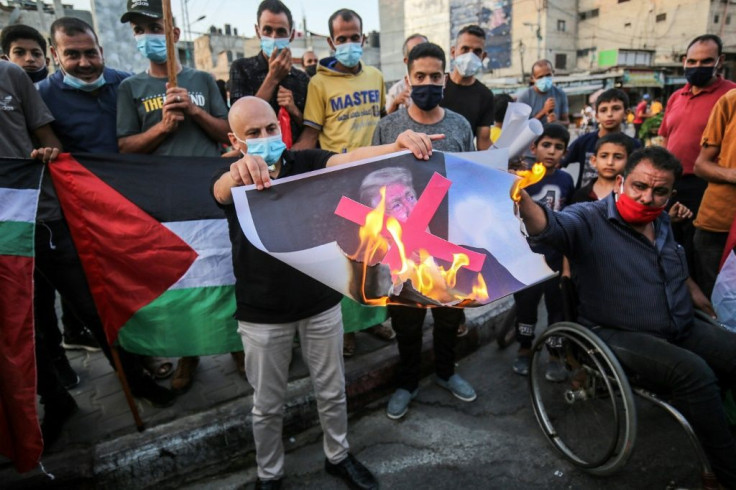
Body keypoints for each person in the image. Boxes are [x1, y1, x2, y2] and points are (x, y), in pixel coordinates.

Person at [212, 95, 440, 490]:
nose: (267, 137)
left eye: (271, 128)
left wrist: (396, 146)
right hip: (262, 313)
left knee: (332, 391)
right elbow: (218, 191)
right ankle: (270, 474)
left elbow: (349, 159)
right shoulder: (236, 179)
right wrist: (236, 174)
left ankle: (338, 456)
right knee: (266, 406)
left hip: (320, 303)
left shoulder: (305, 163)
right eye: (254, 133)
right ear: (235, 140)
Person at [514, 145, 736, 488]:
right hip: (617, 332)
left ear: (670, 194)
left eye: (659, 191)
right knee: (695, 373)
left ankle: (720, 431)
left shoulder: (662, 220)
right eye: (639, 187)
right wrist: (520, 197)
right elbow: (551, 225)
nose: (647, 198)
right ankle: (725, 475)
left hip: (680, 324)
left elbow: (672, 264)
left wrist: (692, 288)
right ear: (621, 182)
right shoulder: (589, 218)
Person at [118, 0, 231, 392]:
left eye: (153, 27)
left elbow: (227, 132)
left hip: (212, 192)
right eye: (139, 30)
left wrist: (195, 113)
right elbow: (125, 148)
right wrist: (162, 129)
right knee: (184, 279)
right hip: (165, 200)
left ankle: (234, 343)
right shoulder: (130, 89)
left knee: (225, 271)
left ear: (173, 34)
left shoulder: (203, 82)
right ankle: (189, 352)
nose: (147, 36)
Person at [293, 8, 392, 357]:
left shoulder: (376, 76)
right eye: (342, 39)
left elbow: (381, 122)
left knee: (376, 253)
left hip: (375, 179)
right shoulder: (318, 83)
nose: (349, 44)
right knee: (347, 256)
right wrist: (286, 164)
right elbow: (311, 134)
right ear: (331, 41)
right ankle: (349, 328)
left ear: (363, 39)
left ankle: (374, 317)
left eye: (355, 38)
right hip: (339, 179)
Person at [659, 34, 736, 277]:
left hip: (707, 185)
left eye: (705, 61)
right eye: (691, 62)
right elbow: (665, 139)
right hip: (671, 183)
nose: (697, 67)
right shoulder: (675, 97)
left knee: (697, 255)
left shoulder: (730, 96)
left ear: (719, 61)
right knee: (668, 245)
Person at [511, 124, 574, 380]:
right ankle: (524, 349)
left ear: (565, 152)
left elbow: (570, 218)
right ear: (533, 147)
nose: (551, 152)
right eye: (546, 145)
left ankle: (554, 354)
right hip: (525, 255)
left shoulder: (566, 180)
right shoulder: (520, 177)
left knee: (556, 307)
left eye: (558, 147)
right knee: (525, 305)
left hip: (555, 256)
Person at [229, 0, 309, 142]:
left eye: (280, 31)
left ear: (291, 35)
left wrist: (294, 110)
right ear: (257, 31)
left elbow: (309, 129)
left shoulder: (302, 78)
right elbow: (241, 122)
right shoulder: (242, 69)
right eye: (267, 30)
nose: (273, 37)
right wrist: (272, 78)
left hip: (294, 157)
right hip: (256, 158)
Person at [373, 42, 474, 153]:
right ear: (408, 82)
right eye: (420, 77)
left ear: (444, 80)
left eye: (435, 77)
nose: (428, 83)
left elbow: (469, 169)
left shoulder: (461, 126)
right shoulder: (386, 127)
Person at [693, 88, 736, 299]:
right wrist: (732, 175)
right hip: (718, 224)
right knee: (713, 299)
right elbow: (701, 166)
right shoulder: (731, 101)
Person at [562, 88, 640, 189]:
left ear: (626, 113)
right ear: (597, 116)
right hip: (585, 203)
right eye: (603, 110)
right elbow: (559, 163)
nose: (609, 114)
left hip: (618, 202)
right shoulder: (584, 142)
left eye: (616, 108)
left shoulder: (634, 146)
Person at [440, 25, 494, 151]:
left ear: (483, 56)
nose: (470, 56)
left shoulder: (485, 95)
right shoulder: (437, 84)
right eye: (465, 49)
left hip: (463, 163)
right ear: (453, 52)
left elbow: (483, 142)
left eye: (477, 51)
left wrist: (505, 159)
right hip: (431, 159)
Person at [570, 132, 634, 204]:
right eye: (604, 156)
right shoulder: (580, 196)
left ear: (629, 161)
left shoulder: (632, 194)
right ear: (594, 161)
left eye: (618, 157)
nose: (610, 162)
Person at [516, 59, 569, 127]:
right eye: (540, 77)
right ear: (532, 78)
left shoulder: (560, 94)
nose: (545, 79)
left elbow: (567, 123)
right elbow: (521, 127)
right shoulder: (524, 97)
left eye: (548, 75)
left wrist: (556, 122)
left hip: (555, 136)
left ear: (552, 73)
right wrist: (544, 111)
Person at [385, 33, 428, 114]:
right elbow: (384, 122)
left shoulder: (441, 86)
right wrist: (395, 104)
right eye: (417, 52)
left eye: (426, 50)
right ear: (407, 61)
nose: (423, 56)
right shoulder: (396, 91)